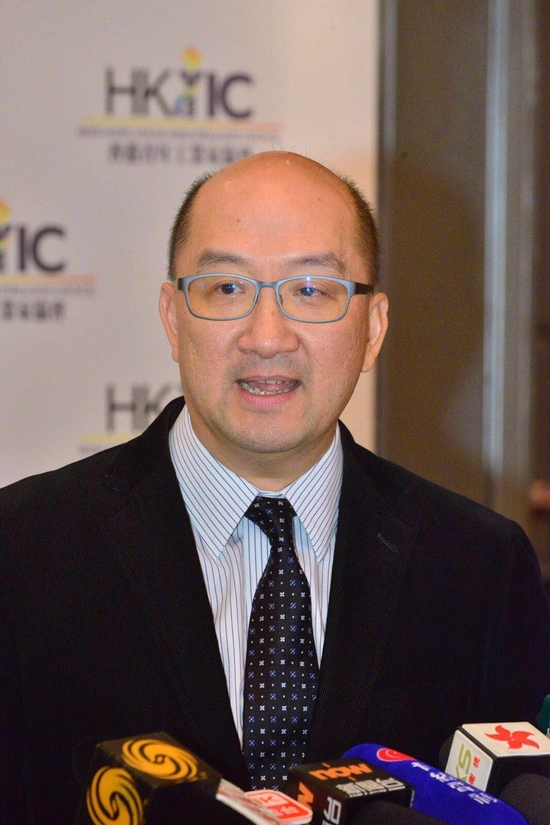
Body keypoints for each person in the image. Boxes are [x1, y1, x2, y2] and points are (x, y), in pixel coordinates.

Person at [1, 152, 549, 824]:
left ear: (372, 328)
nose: (267, 337)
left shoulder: (480, 568)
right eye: (227, 288)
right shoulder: (23, 552)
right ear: (172, 318)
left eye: (312, 290)